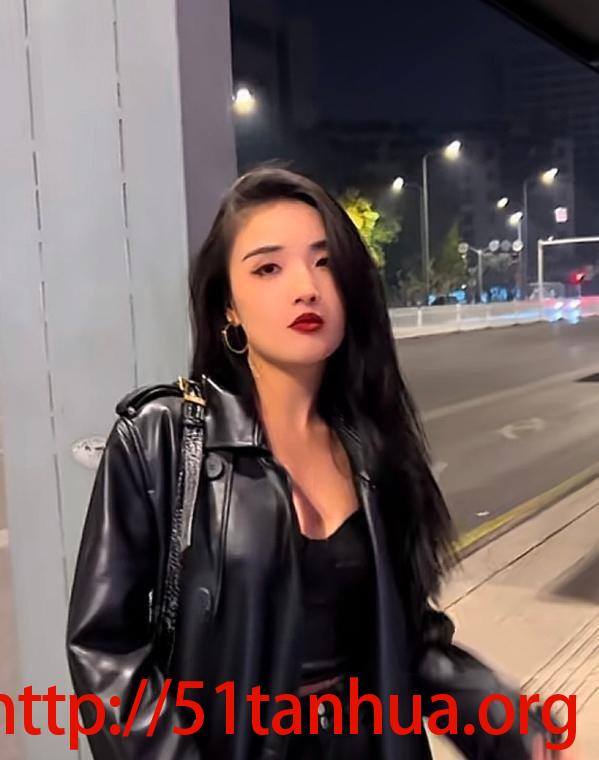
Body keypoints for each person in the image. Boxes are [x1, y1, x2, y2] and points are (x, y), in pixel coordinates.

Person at [66, 167, 571, 760]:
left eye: (325, 262)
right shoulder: (162, 437)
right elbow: (105, 650)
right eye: (268, 268)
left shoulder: (374, 450)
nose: (306, 287)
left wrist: (513, 728)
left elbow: (411, 640)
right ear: (228, 307)